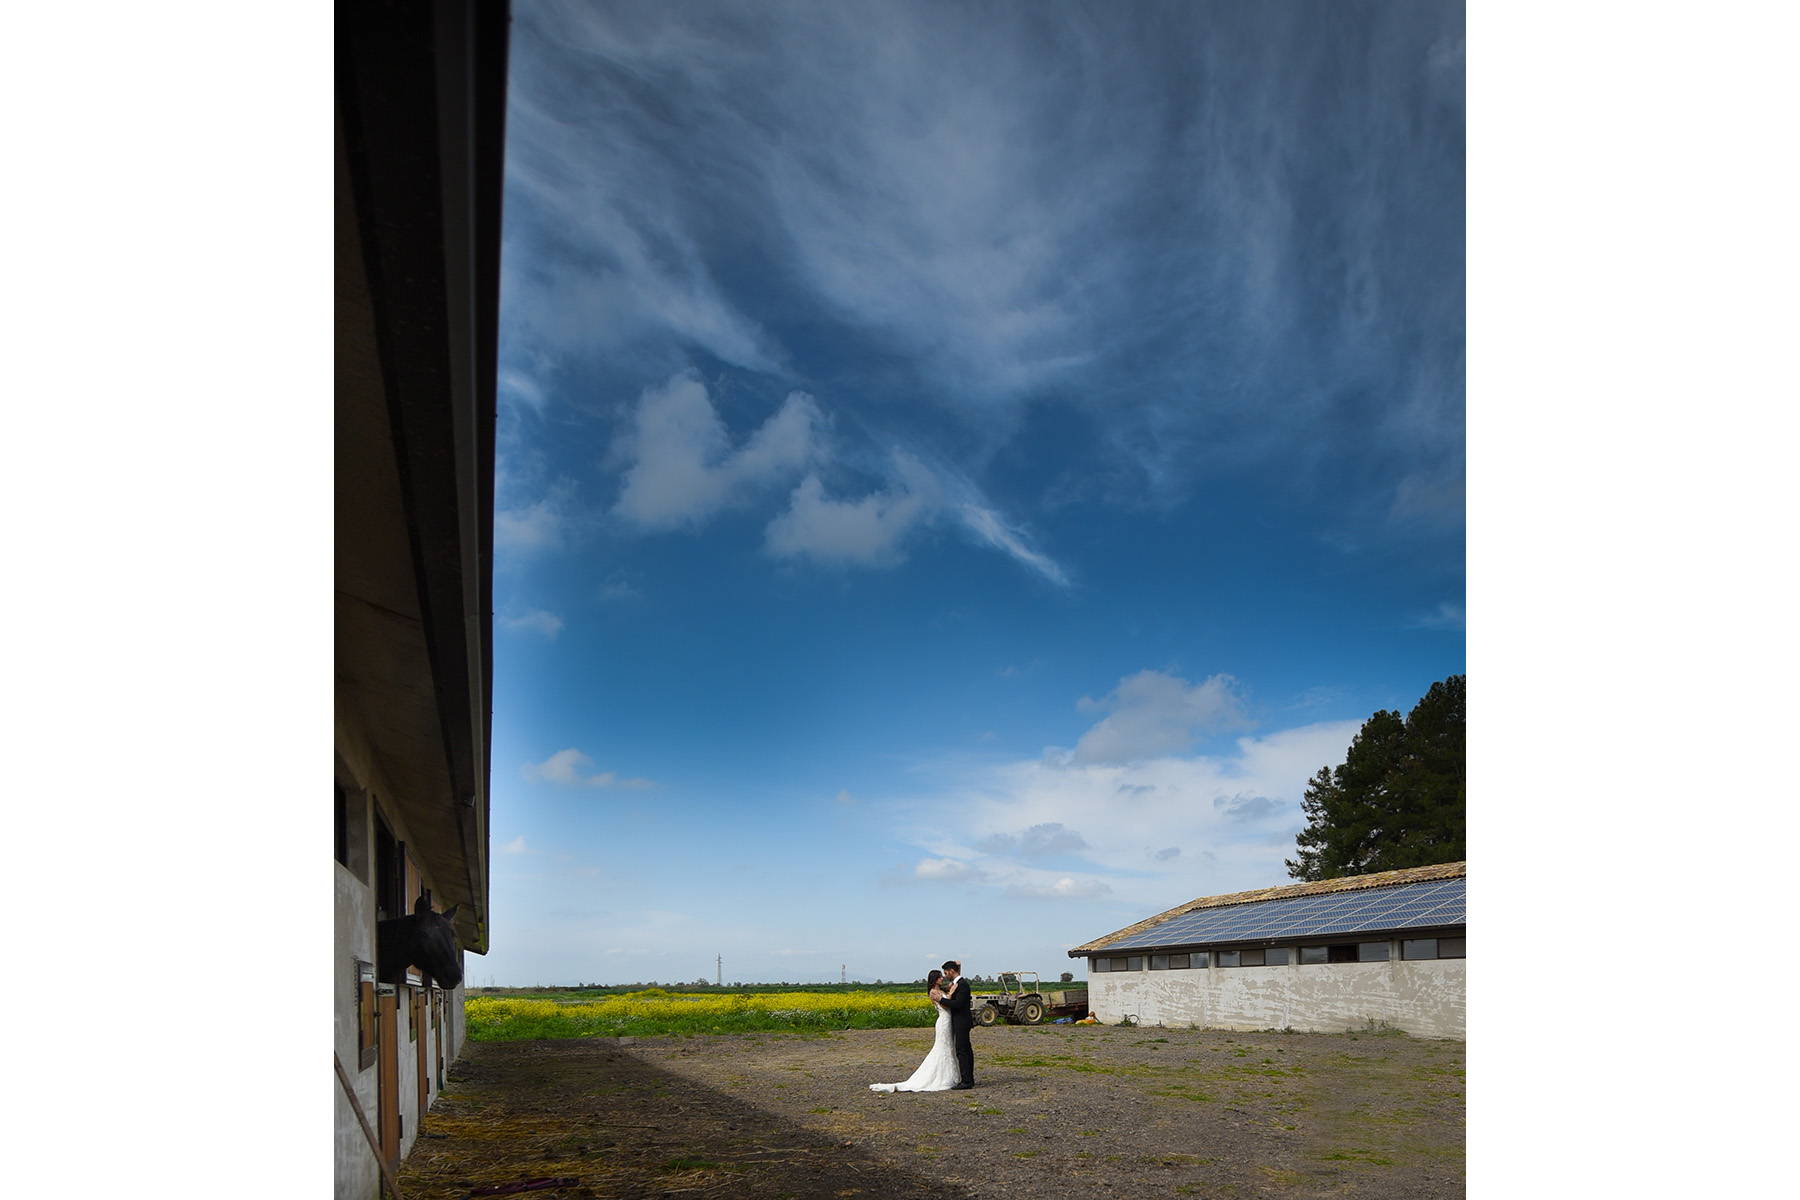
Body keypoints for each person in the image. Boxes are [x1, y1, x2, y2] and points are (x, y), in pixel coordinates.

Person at [869, 969, 962, 1093]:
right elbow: (945, 1005)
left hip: (948, 1021)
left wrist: (958, 968)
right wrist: (950, 994)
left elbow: (955, 981)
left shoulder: (941, 990)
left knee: (949, 1046)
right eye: (940, 977)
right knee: (942, 1047)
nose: (942, 978)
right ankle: (939, 1076)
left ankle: (951, 1075)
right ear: (934, 979)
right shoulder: (933, 992)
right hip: (943, 1022)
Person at [940, 959, 975, 1089]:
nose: (945, 975)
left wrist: (942, 1000)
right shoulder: (956, 984)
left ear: (951, 971)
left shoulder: (962, 985)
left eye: (946, 972)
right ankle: (968, 1078)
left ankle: (966, 1081)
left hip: (962, 1022)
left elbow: (959, 1004)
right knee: (964, 1050)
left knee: (962, 1051)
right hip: (960, 1022)